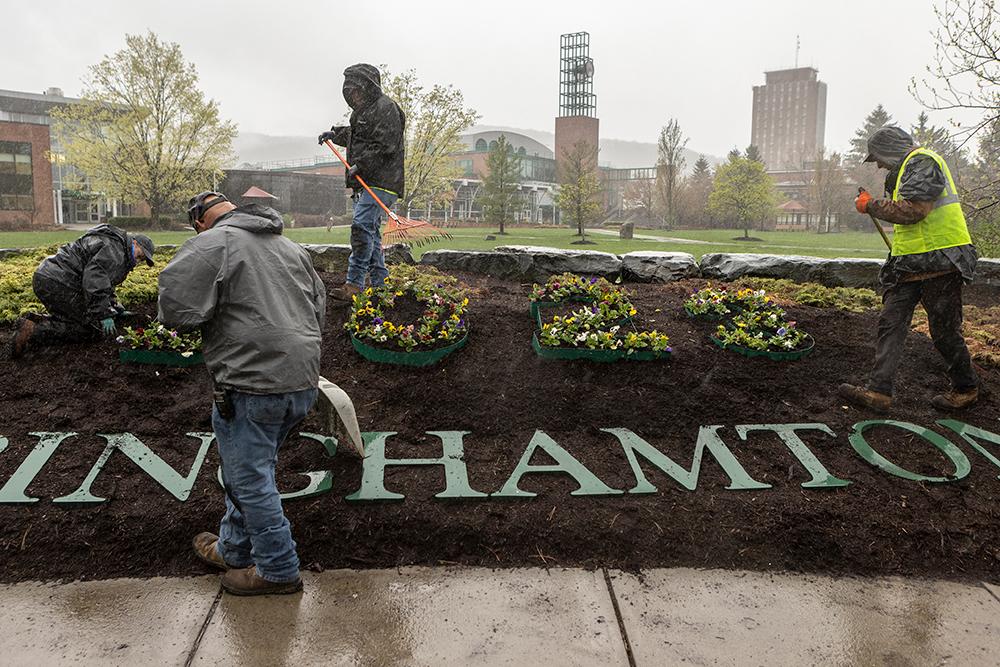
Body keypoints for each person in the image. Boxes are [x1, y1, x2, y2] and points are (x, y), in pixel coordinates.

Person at [158, 191, 326, 596]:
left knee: (250, 478)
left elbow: (176, 311)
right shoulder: (290, 247)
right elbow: (318, 308)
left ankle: (277, 568)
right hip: (301, 381)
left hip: (251, 384)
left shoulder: (211, 243)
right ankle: (234, 548)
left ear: (200, 221)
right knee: (247, 467)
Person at [839, 126, 979, 412]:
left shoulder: (923, 161)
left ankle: (966, 389)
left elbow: (914, 210)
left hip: (941, 260)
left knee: (944, 331)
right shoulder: (906, 170)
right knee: (890, 323)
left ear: (891, 149)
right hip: (909, 265)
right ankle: (879, 392)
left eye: (878, 157)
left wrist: (870, 205)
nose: (878, 164)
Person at [318, 63, 405, 302]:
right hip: (364, 182)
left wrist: (362, 166)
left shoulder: (386, 108)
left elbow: (386, 144)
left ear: (368, 87)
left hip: (383, 181)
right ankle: (380, 284)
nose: (353, 95)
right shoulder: (360, 113)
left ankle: (354, 284)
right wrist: (334, 135)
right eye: (350, 91)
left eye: (357, 90)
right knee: (370, 233)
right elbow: (358, 137)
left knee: (361, 226)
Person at [5, 224, 154, 359]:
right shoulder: (115, 252)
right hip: (58, 281)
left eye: (142, 260)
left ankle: (36, 321)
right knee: (90, 329)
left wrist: (115, 308)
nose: (138, 261)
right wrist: (104, 314)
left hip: (49, 277)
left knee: (78, 317)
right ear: (134, 243)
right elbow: (94, 280)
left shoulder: (116, 247)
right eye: (140, 255)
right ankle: (34, 331)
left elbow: (105, 283)